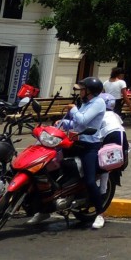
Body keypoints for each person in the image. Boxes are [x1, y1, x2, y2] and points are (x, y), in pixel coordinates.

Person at [30, 76, 108, 229]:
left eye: (82, 90)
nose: (80, 92)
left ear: (89, 91)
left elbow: (83, 121)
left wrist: (73, 109)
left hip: (89, 146)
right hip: (74, 142)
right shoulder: (85, 103)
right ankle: (44, 209)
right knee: (49, 168)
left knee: (90, 180)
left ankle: (100, 213)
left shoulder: (98, 103)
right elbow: (76, 124)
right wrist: (64, 122)